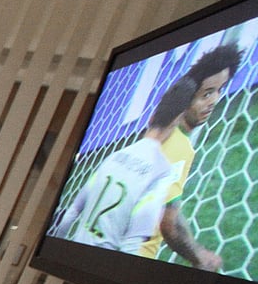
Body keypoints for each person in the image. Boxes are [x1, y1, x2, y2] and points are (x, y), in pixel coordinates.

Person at [50, 78, 197, 254]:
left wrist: (56, 250)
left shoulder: (114, 157)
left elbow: (71, 214)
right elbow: (133, 243)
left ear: (150, 118)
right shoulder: (161, 171)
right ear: (176, 122)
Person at [137, 43, 243, 271]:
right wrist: (200, 257)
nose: (214, 100)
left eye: (219, 90)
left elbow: (169, 207)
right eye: (206, 94)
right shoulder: (178, 146)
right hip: (134, 260)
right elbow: (169, 225)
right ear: (186, 100)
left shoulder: (158, 140)